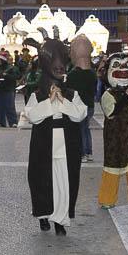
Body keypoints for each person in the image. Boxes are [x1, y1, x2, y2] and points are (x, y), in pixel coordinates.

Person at [25, 35, 89, 235]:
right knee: (42, 181)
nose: (59, 67)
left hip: (67, 148)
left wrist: (62, 101)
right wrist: (49, 102)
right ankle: (44, 215)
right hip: (43, 147)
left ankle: (60, 219)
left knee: (64, 183)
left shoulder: (72, 94)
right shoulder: (36, 95)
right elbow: (32, 116)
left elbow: (80, 114)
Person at [97, 52, 128, 209]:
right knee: (112, 169)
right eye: (116, 65)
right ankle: (107, 200)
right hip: (115, 139)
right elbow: (111, 112)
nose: (124, 68)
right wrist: (125, 98)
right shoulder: (108, 94)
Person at [65, 36, 97, 162]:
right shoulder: (92, 73)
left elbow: (69, 88)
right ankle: (88, 152)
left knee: (80, 129)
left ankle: (83, 152)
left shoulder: (73, 74)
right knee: (86, 128)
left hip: (79, 105)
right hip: (90, 104)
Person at [0, 51, 20, 128]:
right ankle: (0, 122)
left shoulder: (11, 68)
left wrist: (6, 75)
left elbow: (15, 77)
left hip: (8, 89)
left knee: (9, 106)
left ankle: (13, 122)